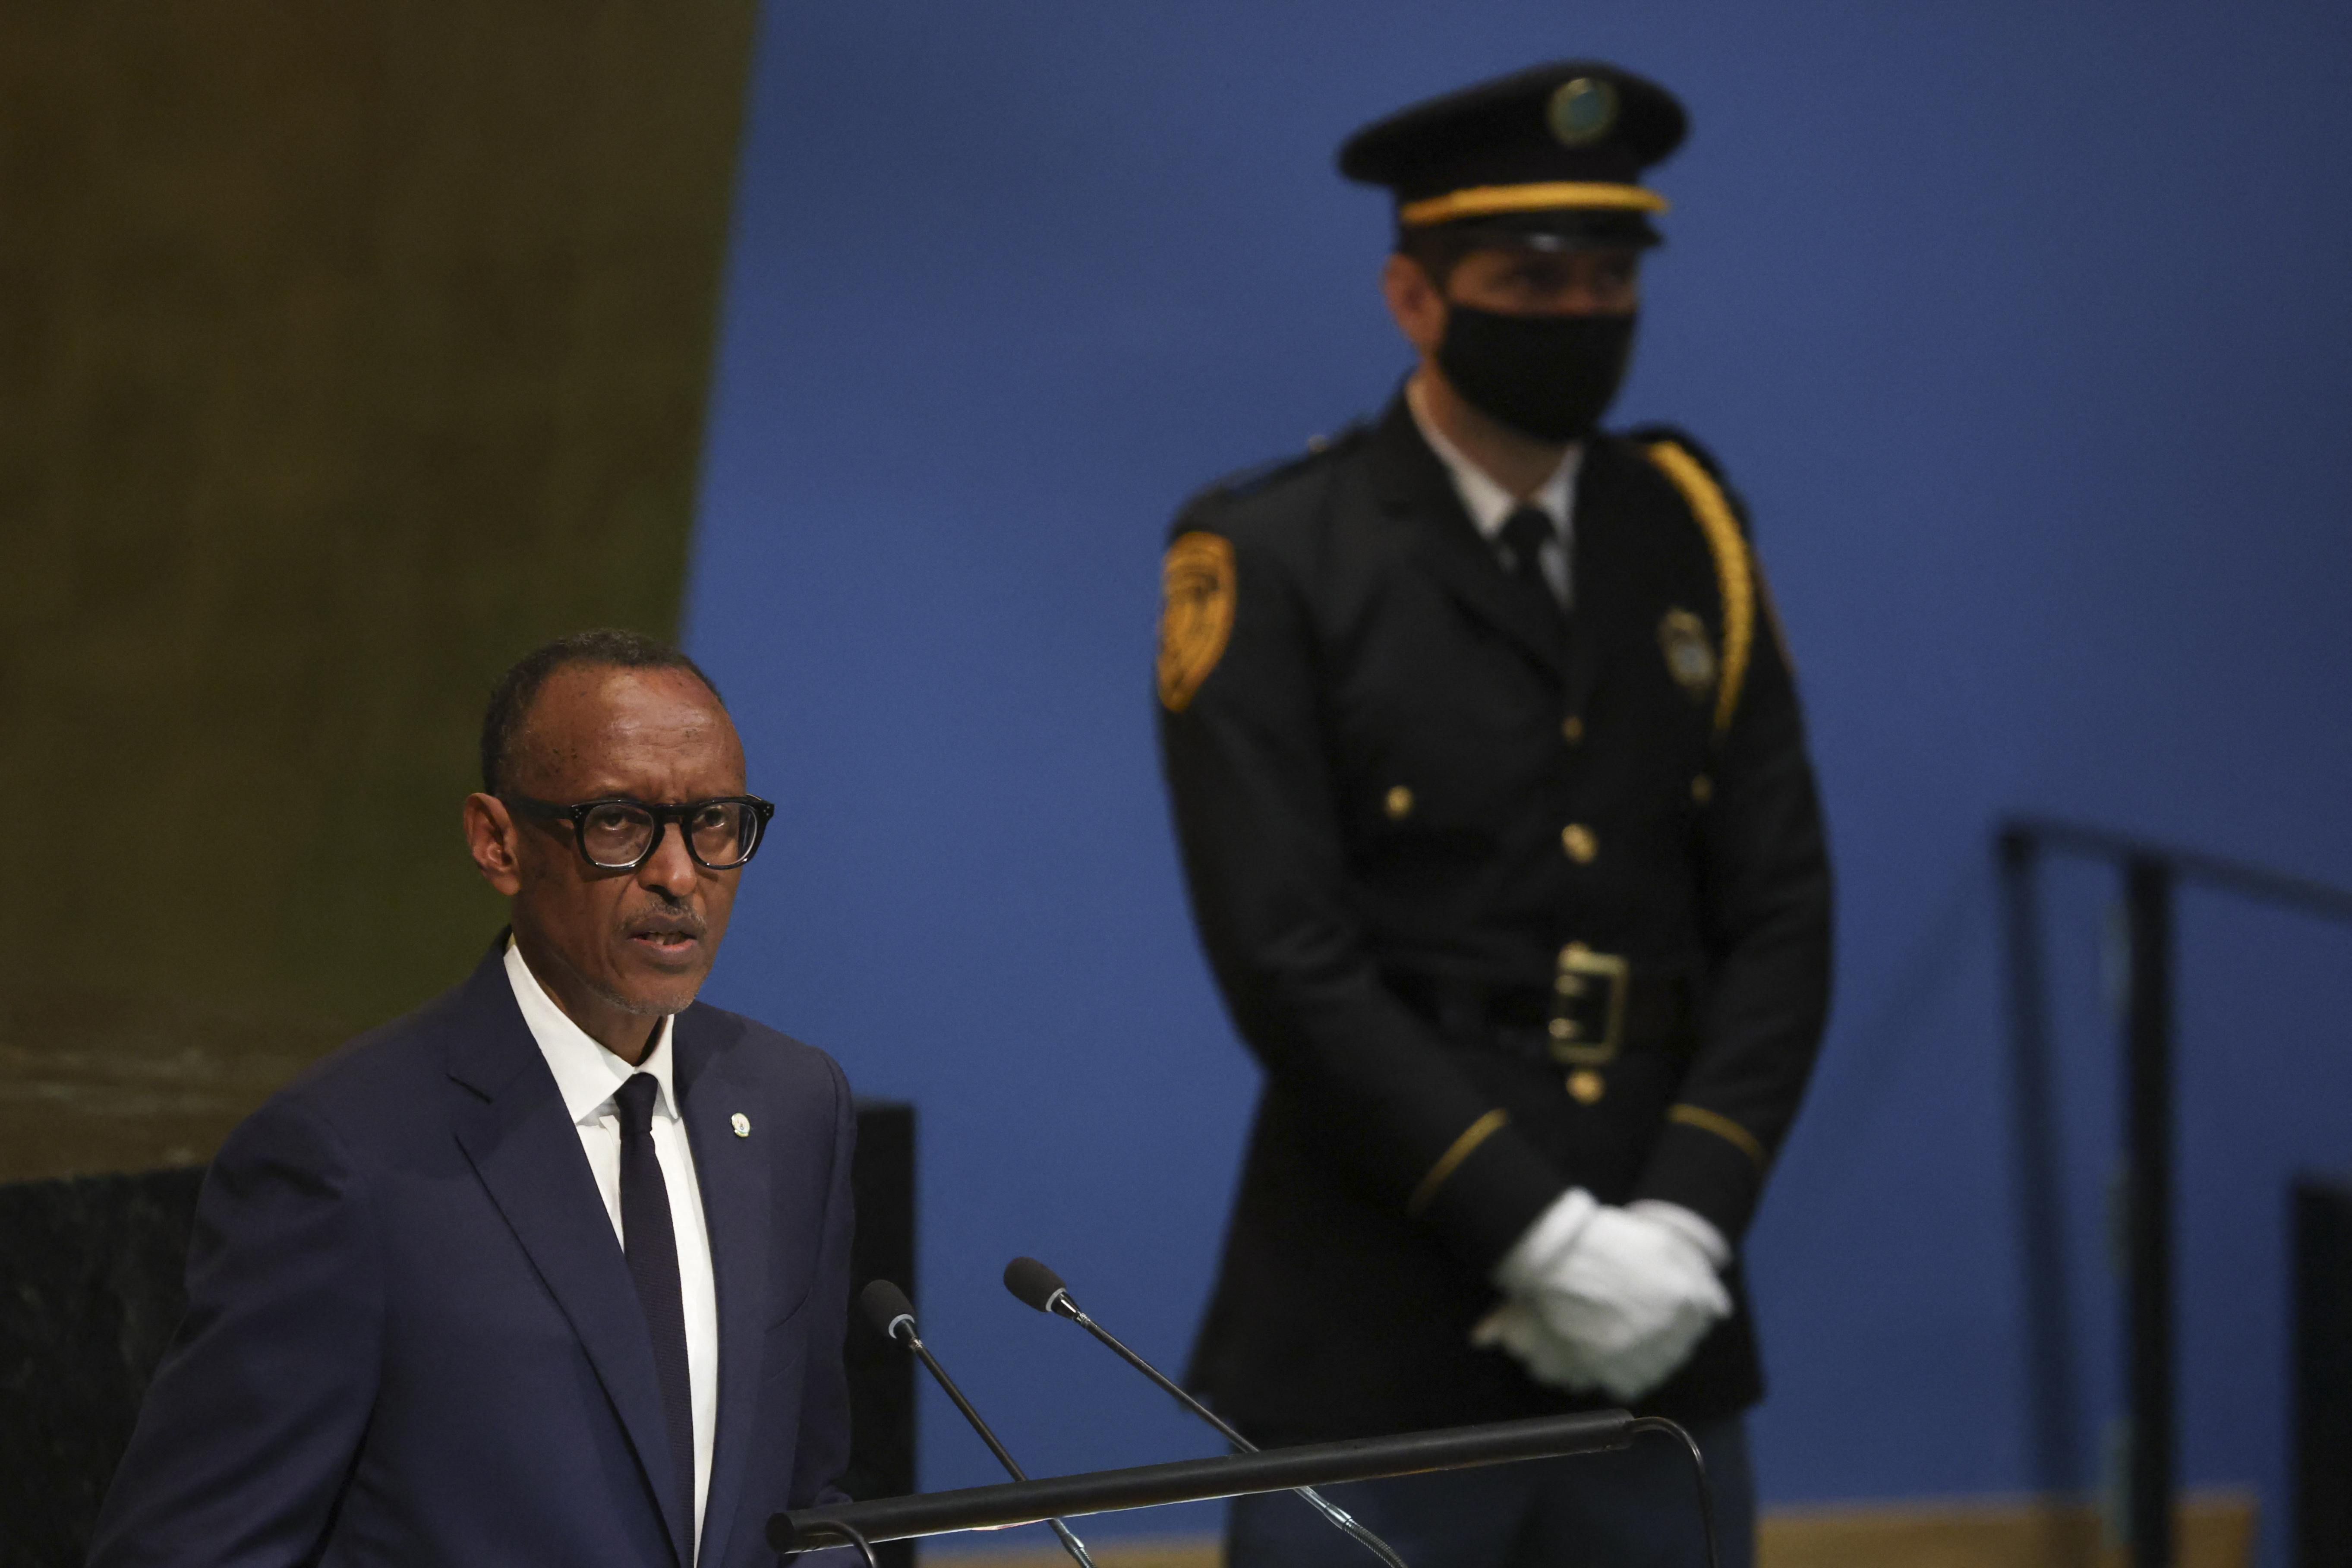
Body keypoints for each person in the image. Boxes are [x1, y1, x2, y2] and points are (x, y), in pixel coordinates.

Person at [1156, 61, 1833, 1568]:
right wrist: (1545, 1236)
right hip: (1381, 1319)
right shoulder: (1272, 553)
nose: (1581, 313)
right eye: (1529, 277)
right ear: (1414, 293)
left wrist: (1683, 1228)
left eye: (1608, 276)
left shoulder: (1689, 528)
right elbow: (1288, 954)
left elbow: (1783, 910)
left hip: (1664, 1325)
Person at [88, 630, 855, 1568]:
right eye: (618, 822)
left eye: (715, 822)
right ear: (497, 841)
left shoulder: (791, 1105)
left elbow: (809, 1504)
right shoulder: (343, 1158)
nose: (680, 873)